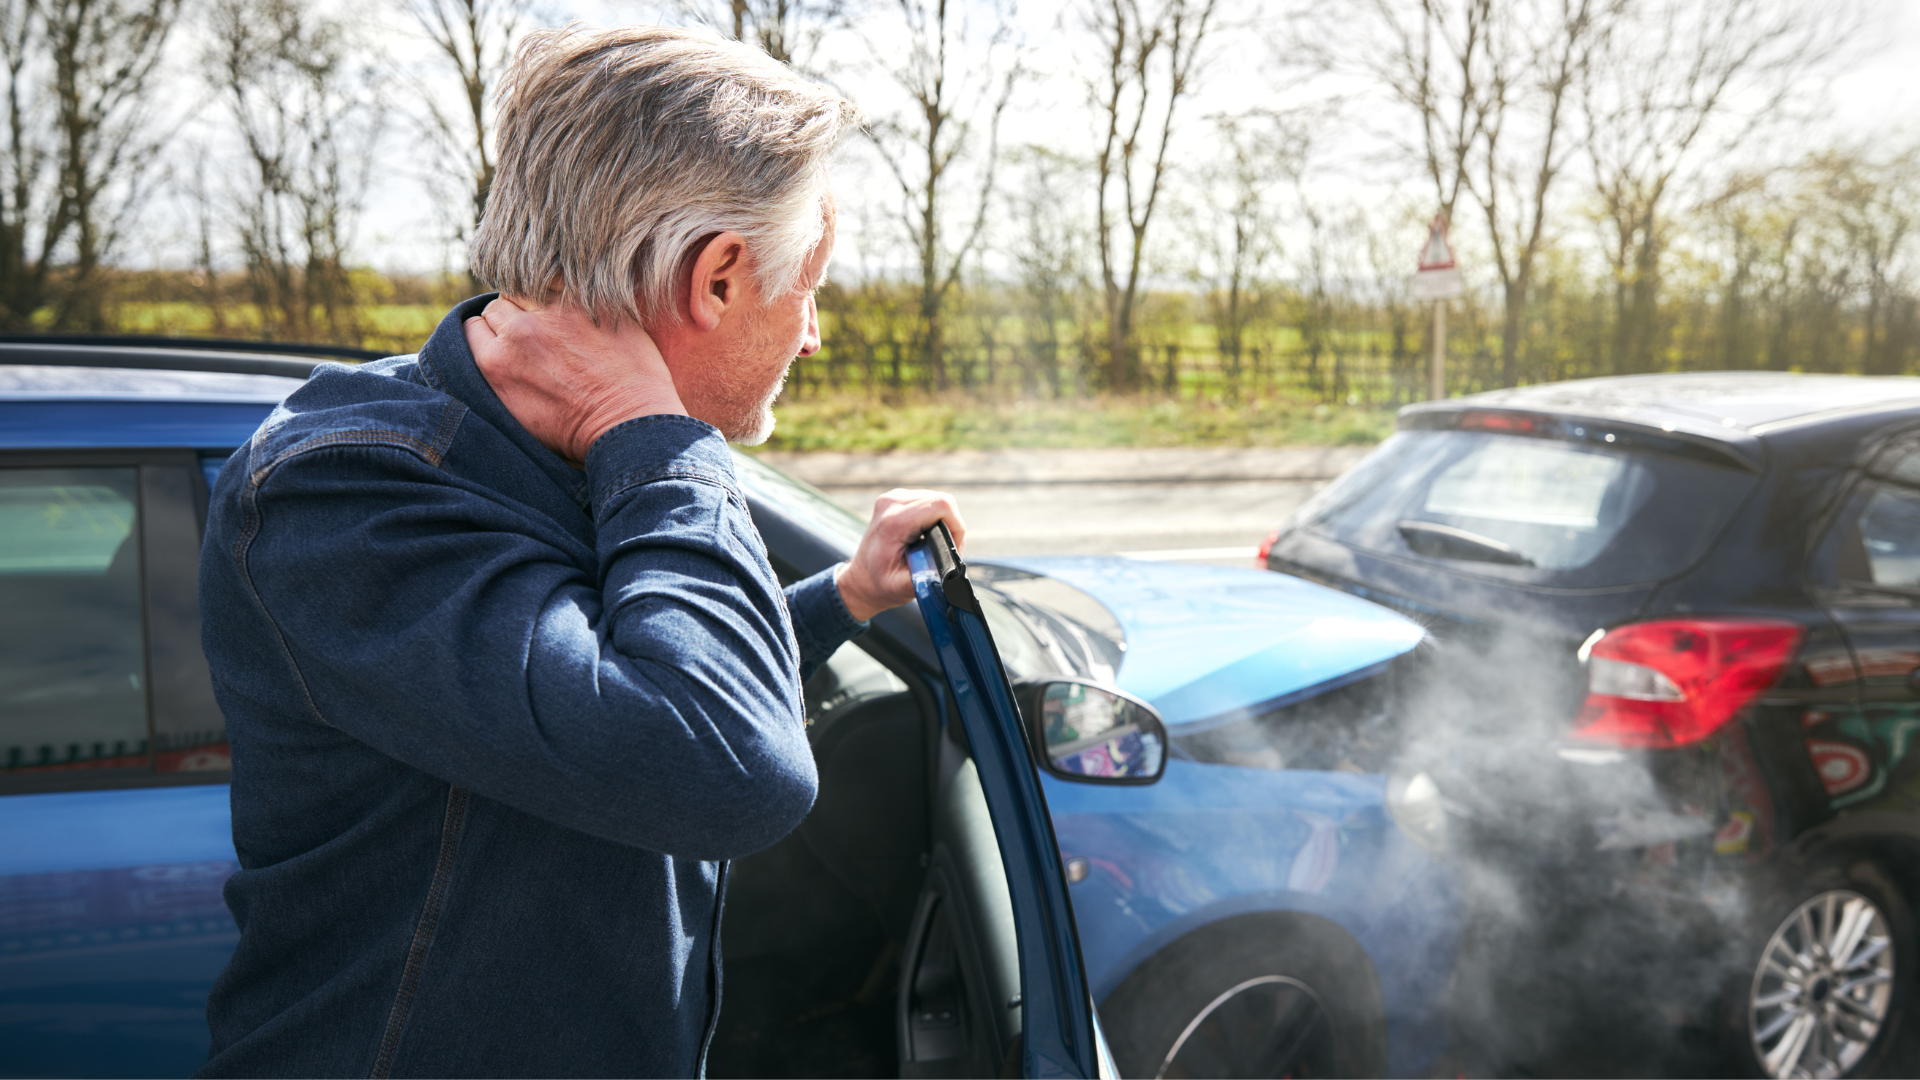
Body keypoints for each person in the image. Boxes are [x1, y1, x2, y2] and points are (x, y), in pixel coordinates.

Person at [195, 24, 962, 1078]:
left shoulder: (563, 450)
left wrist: (840, 597)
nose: (814, 333)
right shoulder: (346, 492)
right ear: (722, 278)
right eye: (810, 284)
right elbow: (726, 768)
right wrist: (655, 437)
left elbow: (612, 697)